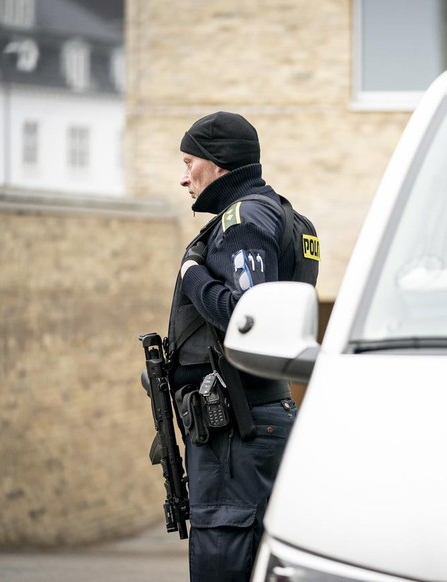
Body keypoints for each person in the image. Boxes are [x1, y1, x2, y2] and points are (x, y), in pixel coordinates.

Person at [166, 111, 298, 581]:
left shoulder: (243, 218)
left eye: (189, 162)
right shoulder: (279, 211)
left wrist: (193, 274)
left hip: (238, 434)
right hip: (251, 423)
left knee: (226, 564)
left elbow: (249, 317)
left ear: (218, 164)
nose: (184, 178)